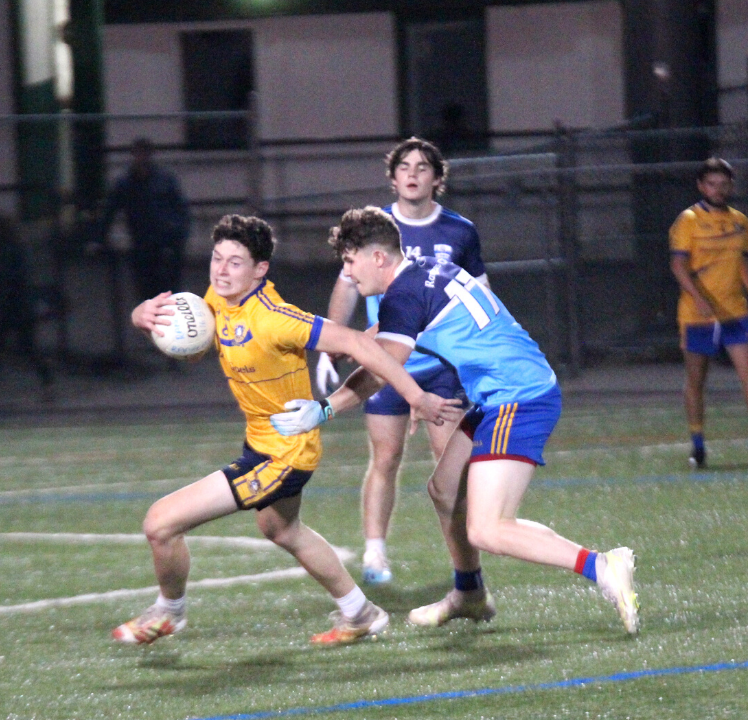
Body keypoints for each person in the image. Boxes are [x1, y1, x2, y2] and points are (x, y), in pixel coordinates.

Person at [274, 207, 639, 636]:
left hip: (517, 398)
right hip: (500, 393)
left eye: (350, 261)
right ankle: (469, 594)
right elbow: (379, 343)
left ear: (378, 258)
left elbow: (379, 370)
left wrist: (325, 409)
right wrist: (347, 357)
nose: (347, 273)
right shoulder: (427, 269)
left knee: (487, 528)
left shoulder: (404, 295)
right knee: (444, 490)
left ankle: (600, 565)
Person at [112, 214, 460, 647]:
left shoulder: (277, 318)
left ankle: (169, 613)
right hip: (263, 442)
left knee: (160, 523)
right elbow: (196, 351)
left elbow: (357, 343)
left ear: (260, 270)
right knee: (281, 530)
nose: (221, 270)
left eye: (235, 263)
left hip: (284, 454)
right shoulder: (214, 301)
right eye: (217, 259)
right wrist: (140, 316)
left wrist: (414, 396)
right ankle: (361, 612)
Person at [315, 137, 486, 585]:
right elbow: (348, 284)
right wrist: (336, 342)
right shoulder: (376, 227)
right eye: (404, 166)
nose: (412, 173)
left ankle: (465, 563)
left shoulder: (459, 231)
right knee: (386, 456)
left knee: (448, 467)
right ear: (392, 177)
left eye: (422, 166)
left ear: (437, 177)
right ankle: (375, 554)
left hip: (440, 365)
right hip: (384, 361)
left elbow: (480, 296)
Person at [669, 158, 748, 469]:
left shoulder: (741, 221)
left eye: (724, 184)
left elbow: (747, 267)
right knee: (697, 379)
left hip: (735, 313)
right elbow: (678, 265)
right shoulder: (688, 220)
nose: (718, 190)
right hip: (698, 315)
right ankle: (697, 447)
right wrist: (697, 297)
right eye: (712, 184)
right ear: (701, 186)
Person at [102, 138, 190, 302]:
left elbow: (181, 208)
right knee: (148, 285)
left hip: (163, 239)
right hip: (144, 241)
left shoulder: (134, 182)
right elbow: (110, 211)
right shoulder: (130, 183)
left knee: (164, 285)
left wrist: (179, 233)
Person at [0, 213, 52, 393]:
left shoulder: (2, 250)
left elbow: (3, 280)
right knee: (24, 347)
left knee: (1, 347)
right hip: (19, 306)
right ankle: (46, 380)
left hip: (11, 307)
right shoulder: (13, 247)